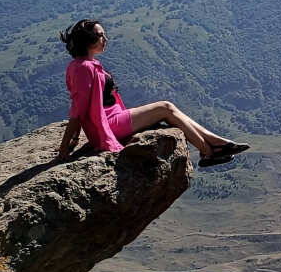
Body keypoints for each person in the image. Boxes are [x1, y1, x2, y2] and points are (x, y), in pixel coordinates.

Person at [55, 18, 249, 167]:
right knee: (166, 107)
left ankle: (213, 145)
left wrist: (74, 141)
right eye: (100, 36)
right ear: (88, 40)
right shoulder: (83, 68)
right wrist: (64, 149)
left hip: (115, 117)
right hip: (110, 124)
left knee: (168, 109)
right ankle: (209, 149)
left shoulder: (87, 64)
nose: (105, 39)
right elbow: (78, 110)